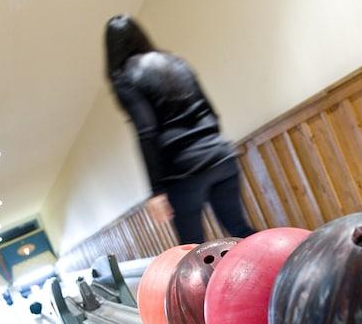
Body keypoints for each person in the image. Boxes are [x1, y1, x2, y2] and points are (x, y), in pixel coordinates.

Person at [105, 14, 255, 244]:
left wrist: (156, 191)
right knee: (239, 229)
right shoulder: (176, 62)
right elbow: (211, 112)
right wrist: (211, 144)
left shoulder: (124, 79)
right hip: (220, 155)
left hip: (184, 171)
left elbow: (146, 132)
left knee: (191, 251)